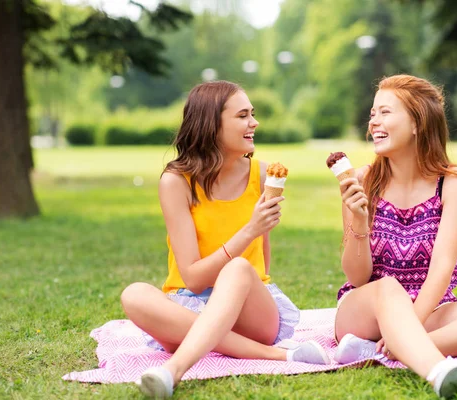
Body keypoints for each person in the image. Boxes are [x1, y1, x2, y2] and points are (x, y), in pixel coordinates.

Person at [332, 74, 457, 398]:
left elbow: (441, 269)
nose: (373, 122)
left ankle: (390, 350)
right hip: (365, 309)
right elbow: (357, 278)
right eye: (372, 114)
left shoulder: (453, 184)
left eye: (385, 112)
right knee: (387, 288)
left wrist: (410, 325)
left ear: (417, 123)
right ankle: (435, 369)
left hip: (428, 309)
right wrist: (358, 221)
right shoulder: (361, 180)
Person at [120, 81, 329, 398]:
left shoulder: (262, 175)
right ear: (211, 126)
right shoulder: (176, 182)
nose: (254, 123)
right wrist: (249, 230)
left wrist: (255, 236)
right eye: (243, 116)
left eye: (252, 114)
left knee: (238, 270)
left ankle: (173, 370)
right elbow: (191, 279)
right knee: (134, 295)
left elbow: (261, 266)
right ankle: (279, 356)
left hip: (251, 311)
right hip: (192, 304)